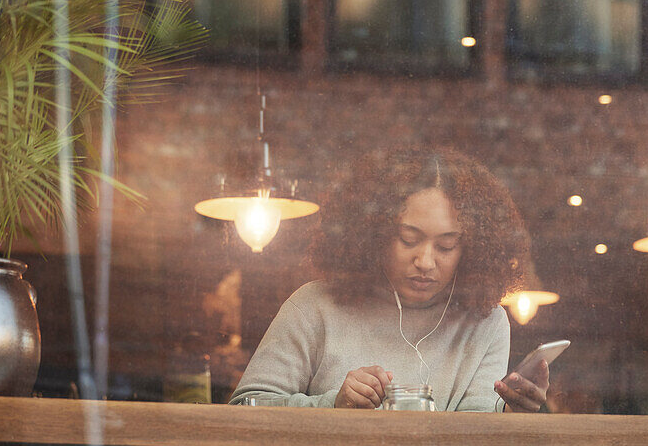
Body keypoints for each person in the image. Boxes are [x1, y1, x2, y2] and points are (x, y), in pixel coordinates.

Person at [229, 146, 549, 412]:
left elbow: (472, 430)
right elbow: (245, 409)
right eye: (408, 239)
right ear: (375, 232)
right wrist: (332, 406)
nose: (424, 261)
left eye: (446, 246)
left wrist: (510, 413)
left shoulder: (486, 321)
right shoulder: (313, 307)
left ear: (472, 247)